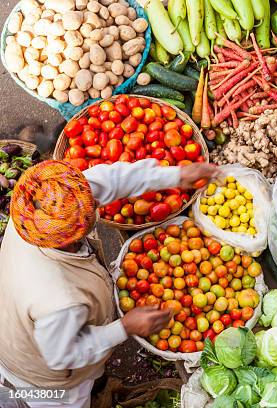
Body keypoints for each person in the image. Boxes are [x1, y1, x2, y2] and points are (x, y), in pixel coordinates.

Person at [0, 158, 218, 408]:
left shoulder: (36, 216)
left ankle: (97, 384)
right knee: (70, 400)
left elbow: (107, 180)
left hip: (17, 322)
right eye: (92, 205)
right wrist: (125, 327)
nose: (96, 202)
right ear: (73, 236)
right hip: (45, 378)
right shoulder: (58, 296)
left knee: (88, 378)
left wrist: (176, 175)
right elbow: (64, 356)